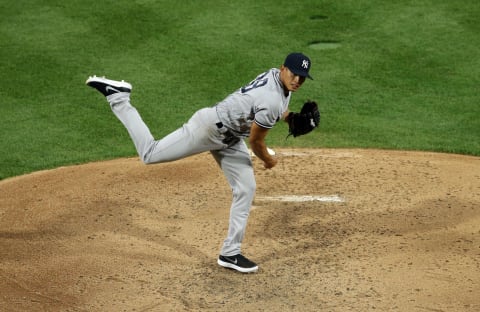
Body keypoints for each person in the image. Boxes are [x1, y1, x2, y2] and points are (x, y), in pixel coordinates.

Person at [86, 52, 313, 273]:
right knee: (149, 154)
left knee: (246, 188)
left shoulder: (276, 79)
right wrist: (269, 160)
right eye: (293, 74)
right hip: (207, 130)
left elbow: (265, 106)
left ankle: (230, 253)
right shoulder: (272, 99)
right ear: (283, 68)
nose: (297, 80)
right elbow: (256, 142)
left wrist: (289, 117)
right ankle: (119, 97)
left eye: (302, 77)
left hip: (231, 138)